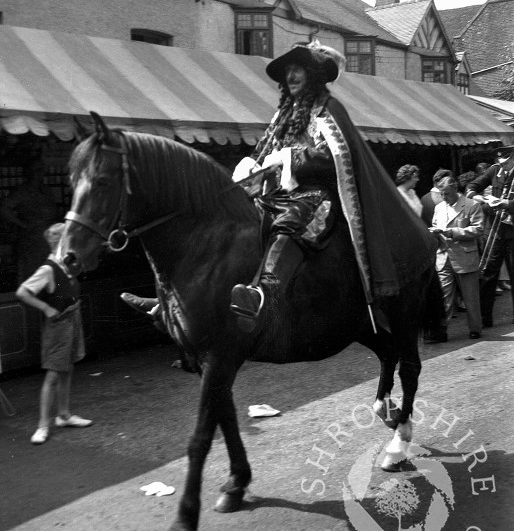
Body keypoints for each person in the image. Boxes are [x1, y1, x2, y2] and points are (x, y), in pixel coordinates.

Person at [123, 41, 436, 337]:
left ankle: (263, 294)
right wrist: (251, 164)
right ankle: (174, 303)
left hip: (318, 196)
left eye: (298, 69)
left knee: (291, 220)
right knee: (235, 223)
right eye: (288, 72)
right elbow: (264, 149)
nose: (292, 76)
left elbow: (336, 158)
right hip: (278, 193)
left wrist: (290, 158)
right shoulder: (282, 115)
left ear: (314, 74)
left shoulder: (329, 109)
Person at [16, 223, 92, 444]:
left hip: (72, 320)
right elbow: (23, 292)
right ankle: (42, 425)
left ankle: (64, 415)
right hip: (58, 325)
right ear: (59, 241)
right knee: (53, 374)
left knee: (67, 369)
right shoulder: (48, 269)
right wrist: (46, 308)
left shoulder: (67, 265)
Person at [466, 145, 514, 327]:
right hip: (494, 230)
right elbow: (472, 186)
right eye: (500, 163)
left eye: (506, 162)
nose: (503, 166)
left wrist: (506, 203)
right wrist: (478, 198)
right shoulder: (495, 170)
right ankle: (485, 317)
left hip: (512, 231)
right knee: (487, 273)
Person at [431, 176, 484, 339]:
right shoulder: (439, 207)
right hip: (444, 257)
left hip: (464, 257)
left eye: (446, 193)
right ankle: (440, 330)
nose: (444, 197)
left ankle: (475, 329)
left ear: (455, 188)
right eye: (441, 194)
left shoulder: (471, 205)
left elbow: (478, 229)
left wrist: (453, 232)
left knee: (470, 297)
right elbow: (435, 224)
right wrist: (434, 232)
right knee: (443, 296)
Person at [0, 158, 57, 285]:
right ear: (30, 172)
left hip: (48, 242)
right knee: (30, 278)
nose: (40, 173)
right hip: (31, 242)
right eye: (37, 169)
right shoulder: (23, 191)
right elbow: (4, 208)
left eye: (42, 169)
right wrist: (22, 224)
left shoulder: (46, 190)